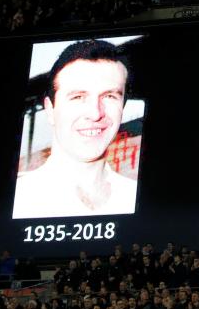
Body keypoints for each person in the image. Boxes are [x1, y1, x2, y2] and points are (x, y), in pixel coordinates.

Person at [13, 39, 138, 219]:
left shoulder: (134, 196)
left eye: (110, 96)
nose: (95, 113)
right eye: (78, 97)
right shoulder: (21, 200)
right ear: (50, 109)